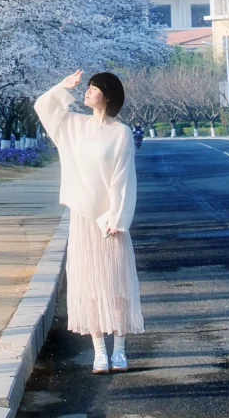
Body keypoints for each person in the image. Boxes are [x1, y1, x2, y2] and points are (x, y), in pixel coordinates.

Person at [34, 69, 143, 373]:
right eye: (89, 87)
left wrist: (117, 218)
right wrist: (63, 86)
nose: (88, 92)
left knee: (116, 283)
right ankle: (99, 352)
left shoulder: (120, 133)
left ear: (107, 96)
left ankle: (119, 350)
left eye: (94, 88)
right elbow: (43, 106)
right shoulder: (74, 126)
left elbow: (124, 179)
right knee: (90, 284)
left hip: (110, 221)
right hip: (83, 216)